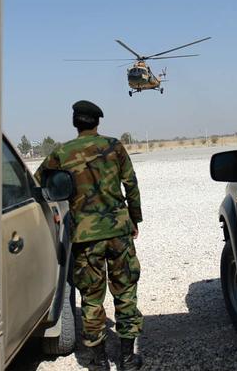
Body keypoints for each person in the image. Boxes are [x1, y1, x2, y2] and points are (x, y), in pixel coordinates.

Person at [35, 100, 143, 371]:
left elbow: (40, 181)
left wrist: (54, 208)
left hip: (84, 235)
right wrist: (134, 219)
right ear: (97, 123)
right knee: (126, 292)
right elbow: (131, 183)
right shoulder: (114, 146)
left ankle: (98, 363)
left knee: (92, 298)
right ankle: (128, 359)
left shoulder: (62, 152)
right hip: (119, 231)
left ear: (75, 123)